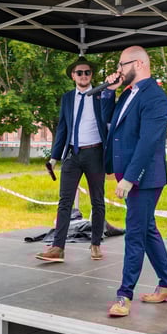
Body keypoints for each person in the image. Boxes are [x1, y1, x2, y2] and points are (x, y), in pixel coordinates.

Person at [101, 46, 167, 317]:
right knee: (146, 229)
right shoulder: (127, 95)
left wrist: (130, 179)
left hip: (145, 178)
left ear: (139, 63)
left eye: (122, 65)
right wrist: (108, 93)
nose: (119, 70)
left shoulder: (156, 98)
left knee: (134, 232)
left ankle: (124, 295)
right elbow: (109, 123)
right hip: (129, 173)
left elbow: (149, 142)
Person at [37, 56, 107, 263]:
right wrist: (54, 157)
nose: (83, 76)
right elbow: (63, 128)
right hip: (72, 154)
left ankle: (95, 243)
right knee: (64, 202)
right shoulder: (67, 98)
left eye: (87, 72)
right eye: (79, 73)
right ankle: (58, 247)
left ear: (91, 75)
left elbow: (110, 121)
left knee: (97, 200)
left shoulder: (102, 95)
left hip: (95, 153)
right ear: (73, 76)